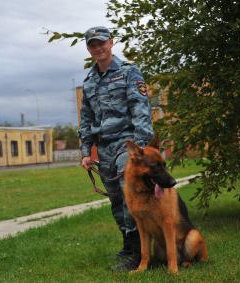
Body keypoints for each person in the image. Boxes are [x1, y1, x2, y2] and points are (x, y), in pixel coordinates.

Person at [79, 26, 154, 271]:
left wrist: (139, 148)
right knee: (114, 199)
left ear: (111, 43)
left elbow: (141, 108)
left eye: (101, 43)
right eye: (92, 45)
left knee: (128, 195)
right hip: (104, 149)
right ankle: (127, 243)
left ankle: (136, 252)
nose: (98, 48)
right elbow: (86, 118)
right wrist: (85, 151)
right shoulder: (89, 82)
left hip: (127, 145)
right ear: (89, 48)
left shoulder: (128, 72)